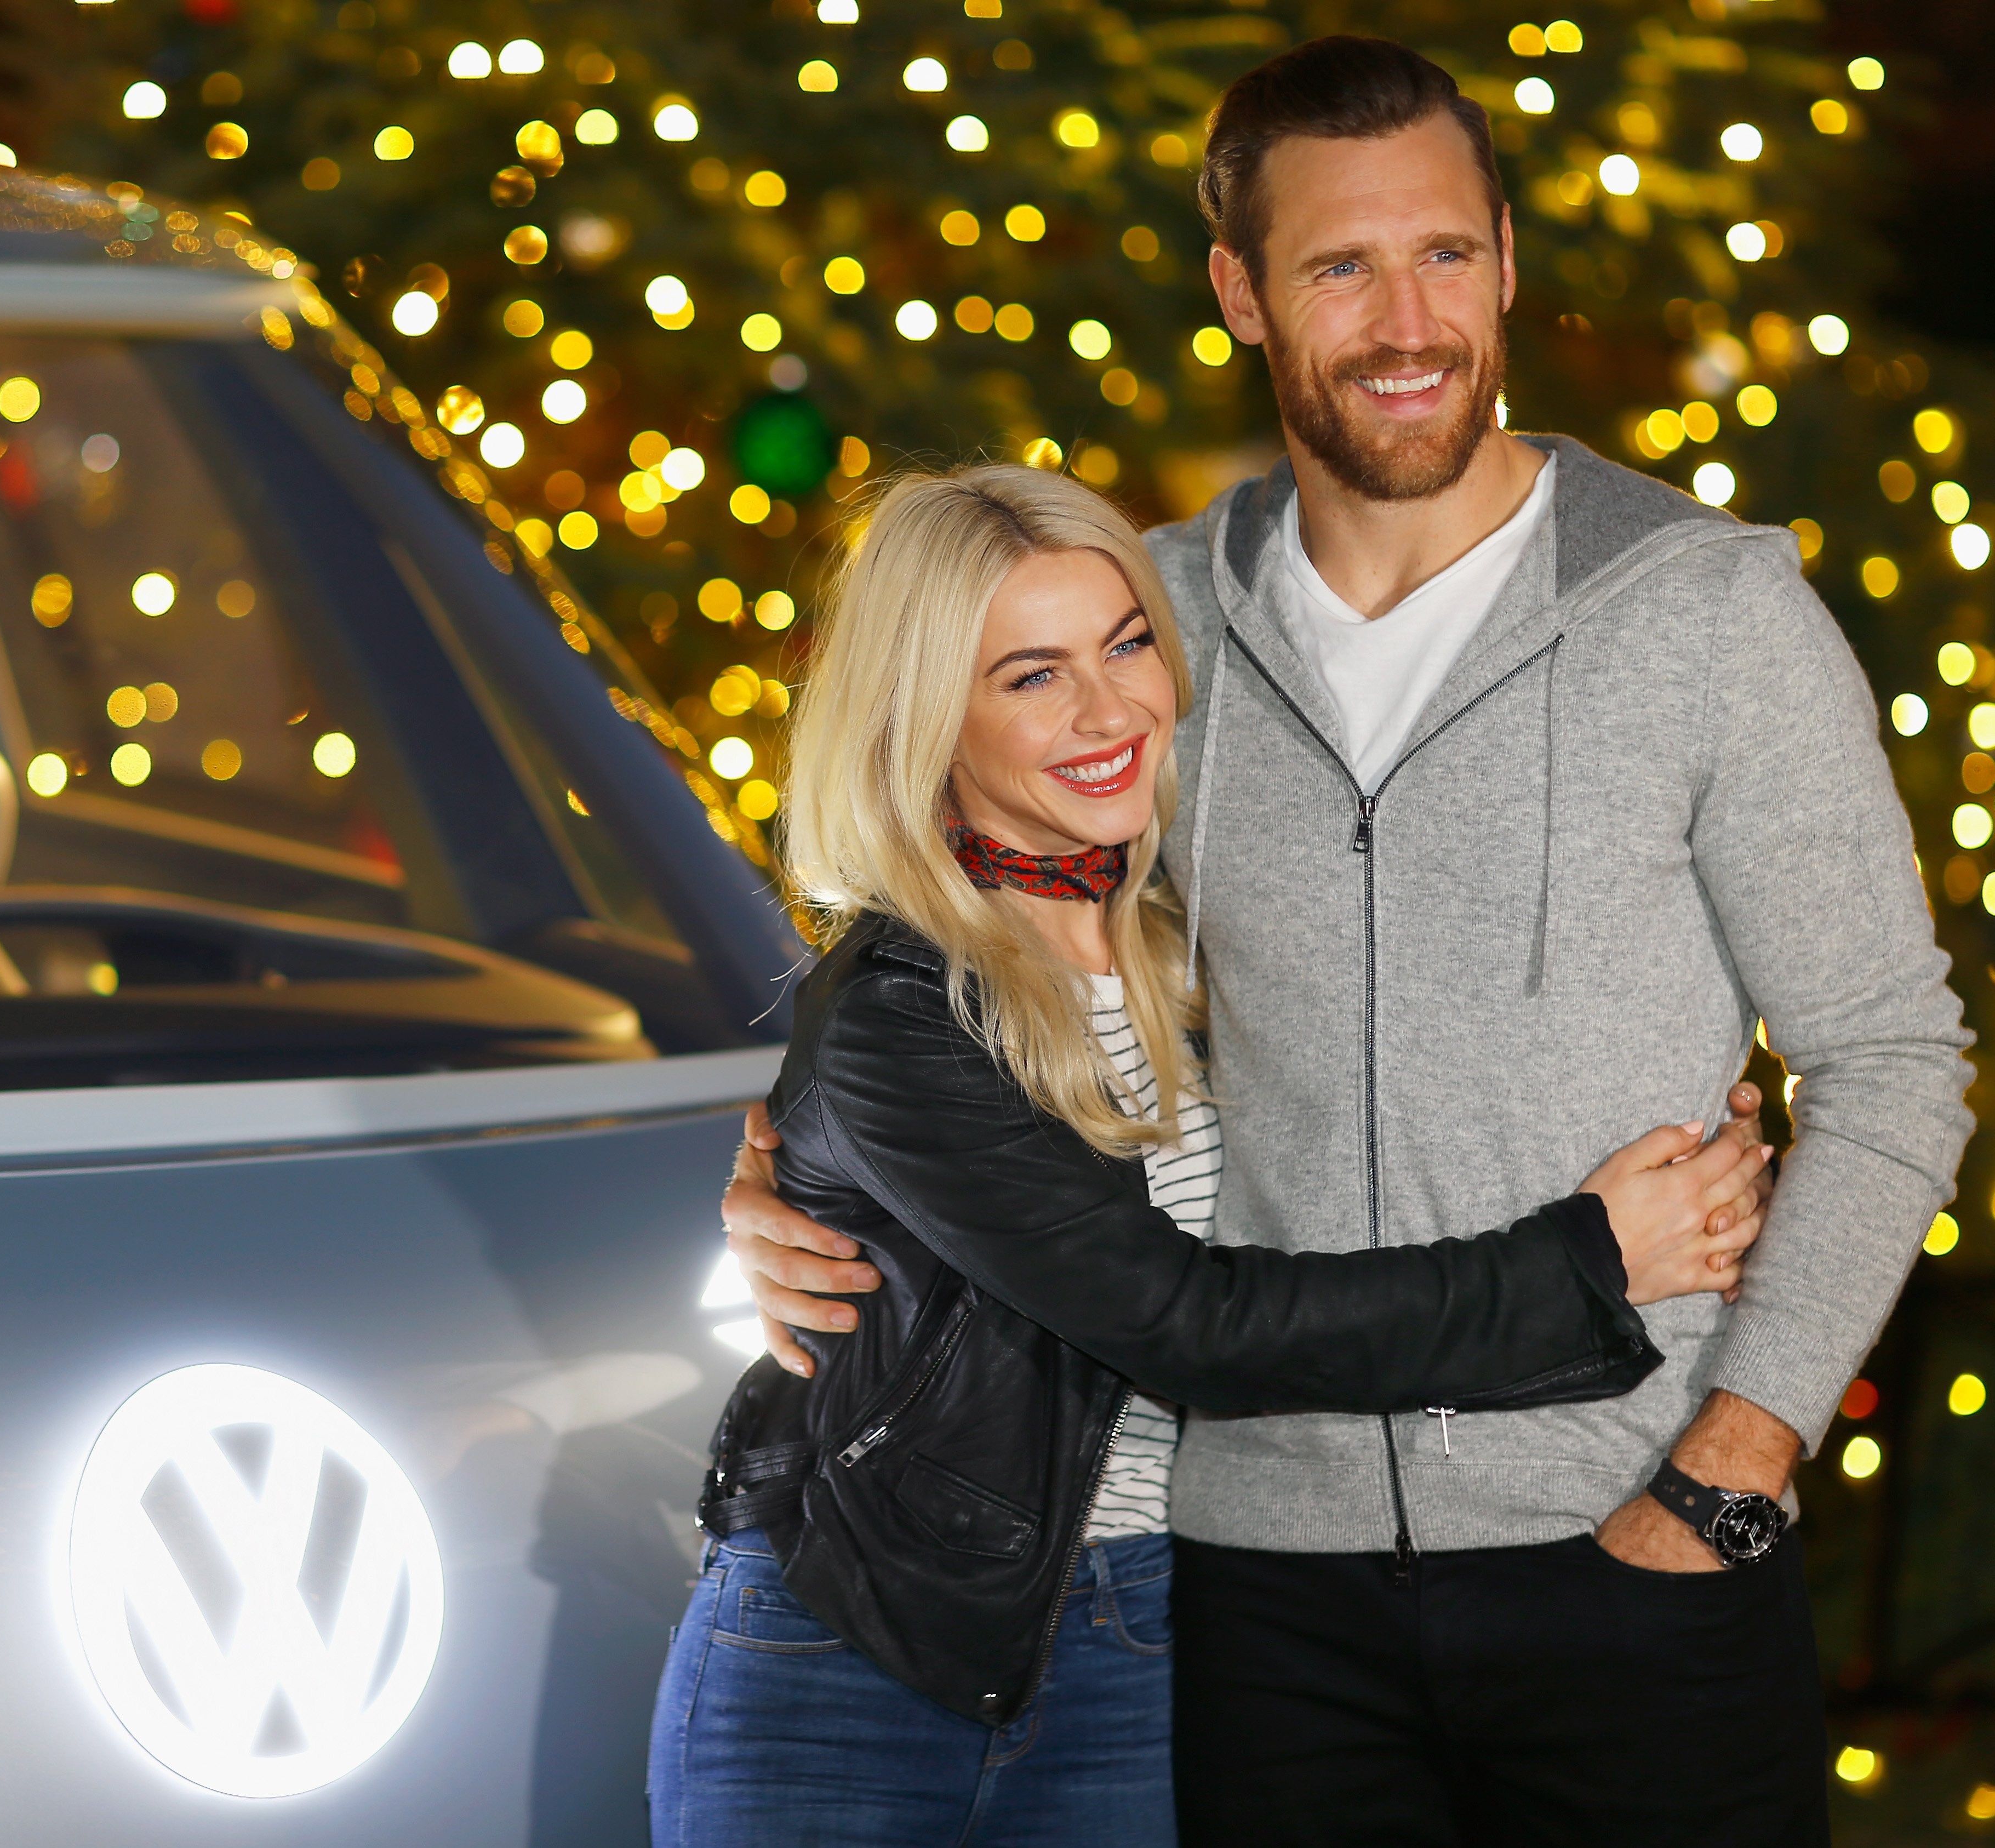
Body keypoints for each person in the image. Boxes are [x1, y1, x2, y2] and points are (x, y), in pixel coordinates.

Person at [723, 35, 1976, 1847]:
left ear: (1505, 262)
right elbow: (944, 918)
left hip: (1631, 1557)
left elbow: (1886, 1056)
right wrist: (796, 1175)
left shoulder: (1706, 613)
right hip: (1246, 1602)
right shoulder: (1147, 630)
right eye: (1338, 267)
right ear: (1238, 290)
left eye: (1444, 255)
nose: (1407, 320)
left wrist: (1730, 1466)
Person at [656, 462, 1773, 1847]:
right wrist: (1590, 1261)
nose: (1108, 709)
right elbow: (1191, 1327)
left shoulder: (1189, 941)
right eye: (1031, 676)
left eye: (1127, 644)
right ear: (928, 716)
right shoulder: (904, 1010)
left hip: (1141, 1639)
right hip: (858, 1649)